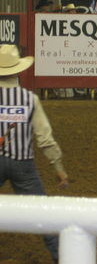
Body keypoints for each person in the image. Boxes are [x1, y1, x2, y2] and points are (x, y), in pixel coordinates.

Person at [0, 44, 69, 264]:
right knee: (42, 214)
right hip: (23, 165)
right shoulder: (30, 99)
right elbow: (45, 138)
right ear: (18, 70)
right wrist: (58, 168)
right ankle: (62, 257)